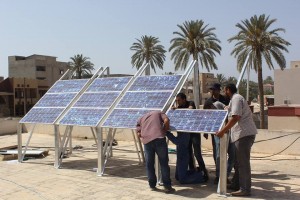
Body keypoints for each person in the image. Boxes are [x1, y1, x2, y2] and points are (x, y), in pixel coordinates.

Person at [216, 83, 257, 197]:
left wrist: (222, 131)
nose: (224, 92)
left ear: (228, 90)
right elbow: (232, 113)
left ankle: (245, 189)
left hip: (244, 135)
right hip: (241, 135)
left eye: (225, 90)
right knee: (238, 162)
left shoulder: (236, 99)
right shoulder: (234, 100)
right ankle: (236, 184)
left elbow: (236, 117)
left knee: (243, 163)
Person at [136, 111, 175, 193]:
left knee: (149, 164)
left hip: (147, 141)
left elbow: (138, 132)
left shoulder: (141, 118)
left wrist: (145, 136)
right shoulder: (159, 112)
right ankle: (167, 186)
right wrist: (165, 130)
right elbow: (166, 120)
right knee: (163, 163)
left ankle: (152, 185)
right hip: (159, 139)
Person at [203, 83, 234, 184]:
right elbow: (205, 117)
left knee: (231, 153)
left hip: (228, 130)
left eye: (214, 89)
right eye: (211, 89)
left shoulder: (225, 99)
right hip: (215, 130)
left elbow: (231, 112)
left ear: (218, 90)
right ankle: (218, 175)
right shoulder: (208, 102)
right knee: (217, 154)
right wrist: (206, 131)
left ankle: (225, 174)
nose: (212, 91)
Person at [173, 93, 208, 178]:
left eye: (179, 100)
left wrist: (177, 109)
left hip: (194, 132)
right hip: (186, 133)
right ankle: (193, 170)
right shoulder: (179, 107)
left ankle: (204, 172)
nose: (178, 102)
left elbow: (190, 110)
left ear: (184, 99)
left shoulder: (191, 103)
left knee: (197, 153)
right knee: (188, 153)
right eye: (176, 101)